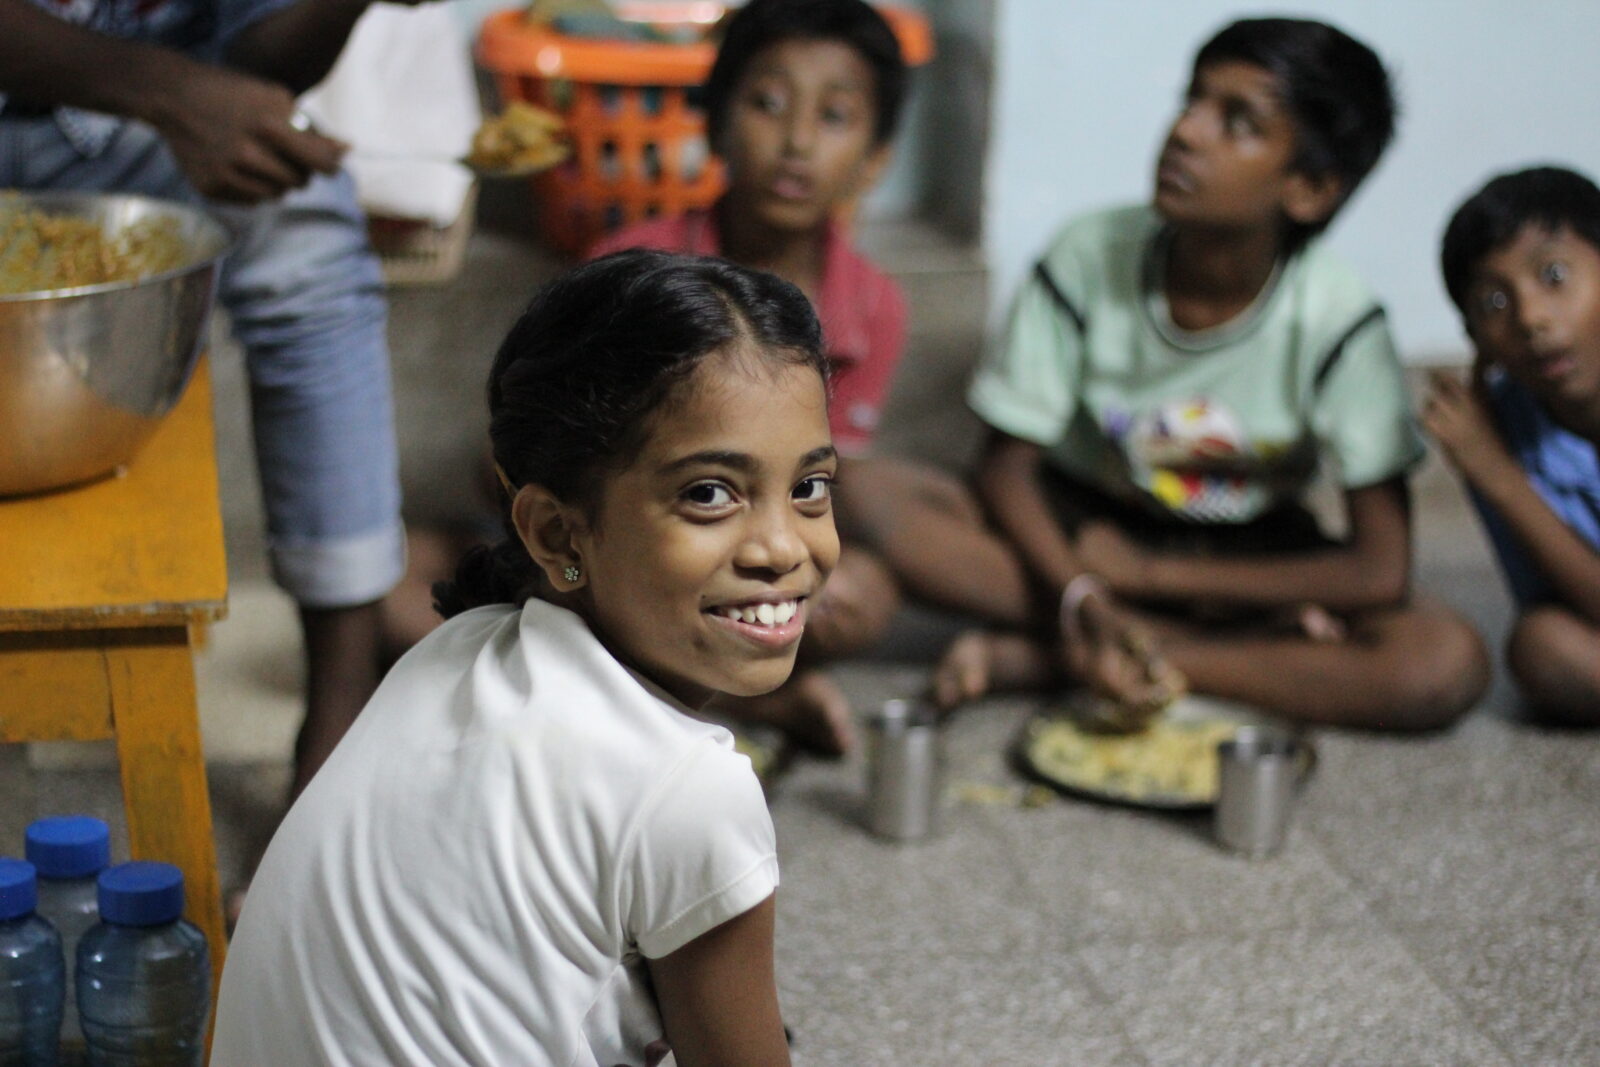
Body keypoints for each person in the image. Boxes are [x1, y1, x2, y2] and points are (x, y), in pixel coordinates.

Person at [211, 250, 825, 1066]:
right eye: (709, 492)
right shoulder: (692, 790)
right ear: (556, 532)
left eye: (811, 487)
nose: (783, 545)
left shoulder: (457, 650)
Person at [930, 17, 1489, 729]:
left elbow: (1379, 569)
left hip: (1241, 555)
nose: (1186, 132)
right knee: (880, 500)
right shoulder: (1088, 253)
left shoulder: (1338, 321)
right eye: (1191, 101)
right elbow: (1004, 470)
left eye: (1238, 122)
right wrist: (1086, 591)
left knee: (1442, 660)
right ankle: (1117, 634)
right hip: (1085, 530)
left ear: (1310, 189)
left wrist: (1149, 575)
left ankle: (1087, 655)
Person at [0, 0, 417, 802]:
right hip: (117, 93)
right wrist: (171, 92)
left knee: (305, 233)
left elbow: (260, 54)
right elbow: (187, 90)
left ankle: (338, 714)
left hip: (115, 127)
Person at [584, 0, 915, 754]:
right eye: (768, 104)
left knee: (863, 595)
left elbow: (823, 486)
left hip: (757, 552)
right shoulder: (630, 272)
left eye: (834, 116)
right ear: (716, 123)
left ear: (876, 157)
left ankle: (681, 680)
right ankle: (733, 691)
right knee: (419, 588)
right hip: (639, 543)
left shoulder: (873, 305)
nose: (796, 143)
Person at [1425, 166, 1600, 726]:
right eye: (1493, 304)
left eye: (1554, 275)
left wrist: (1499, 475)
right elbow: (1561, 607)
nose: (1530, 318)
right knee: (1542, 648)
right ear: (1477, 341)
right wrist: (1487, 463)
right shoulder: (1495, 427)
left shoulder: (1492, 453)